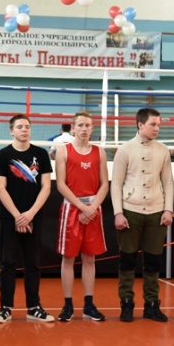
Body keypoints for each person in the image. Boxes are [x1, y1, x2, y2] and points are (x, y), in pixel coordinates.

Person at [111, 108, 174, 323]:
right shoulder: (125, 150)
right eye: (153, 124)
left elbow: (168, 183)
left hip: (156, 212)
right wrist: (118, 213)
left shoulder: (163, 150)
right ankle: (126, 303)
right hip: (131, 211)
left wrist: (168, 209)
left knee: (153, 261)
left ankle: (152, 304)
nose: (157, 128)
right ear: (140, 124)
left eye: (158, 125)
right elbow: (116, 184)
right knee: (127, 260)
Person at [0, 114, 54, 323]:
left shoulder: (41, 154)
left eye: (27, 126)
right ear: (12, 131)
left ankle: (34, 307)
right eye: (19, 127)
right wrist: (18, 216)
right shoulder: (3, 155)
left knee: (33, 263)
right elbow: (0, 188)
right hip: (9, 218)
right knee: (8, 262)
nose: (24, 130)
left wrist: (30, 214)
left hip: (34, 217)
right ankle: (5, 307)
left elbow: (46, 187)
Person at [55, 111, 109, 322]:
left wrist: (92, 207)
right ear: (73, 128)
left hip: (93, 208)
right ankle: (67, 304)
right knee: (68, 258)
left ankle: (88, 305)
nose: (84, 129)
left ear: (92, 128)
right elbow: (61, 184)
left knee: (89, 258)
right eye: (80, 125)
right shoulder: (64, 151)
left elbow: (104, 184)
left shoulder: (99, 152)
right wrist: (81, 207)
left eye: (87, 125)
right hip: (72, 208)